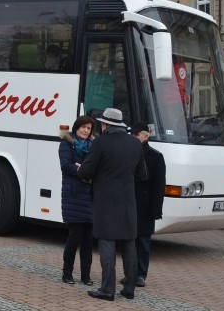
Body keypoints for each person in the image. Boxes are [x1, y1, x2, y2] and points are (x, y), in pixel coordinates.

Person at [77, 107, 145, 302]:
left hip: (105, 202)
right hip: (128, 202)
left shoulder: (101, 142)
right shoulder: (135, 144)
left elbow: (85, 172)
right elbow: (142, 174)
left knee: (107, 244)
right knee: (129, 245)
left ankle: (107, 289)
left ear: (105, 124)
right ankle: (129, 289)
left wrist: (85, 173)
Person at [126, 122, 166, 288]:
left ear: (146, 136)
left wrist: (156, 208)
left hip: (146, 206)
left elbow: (159, 185)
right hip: (129, 203)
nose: (135, 138)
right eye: (133, 135)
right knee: (129, 242)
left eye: (138, 135)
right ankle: (130, 274)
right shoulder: (127, 153)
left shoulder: (155, 156)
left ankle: (141, 274)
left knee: (143, 242)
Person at [58, 115, 96, 286]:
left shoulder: (93, 146)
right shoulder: (66, 143)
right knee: (74, 238)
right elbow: (66, 165)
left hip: (89, 197)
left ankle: (86, 276)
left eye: (89, 128)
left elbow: (96, 166)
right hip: (73, 196)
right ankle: (67, 273)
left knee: (88, 240)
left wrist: (82, 168)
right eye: (83, 127)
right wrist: (82, 170)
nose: (86, 131)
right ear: (76, 127)